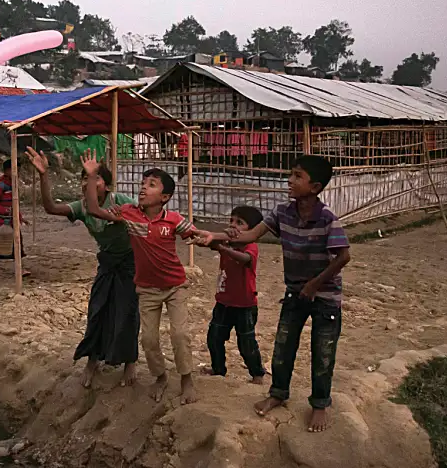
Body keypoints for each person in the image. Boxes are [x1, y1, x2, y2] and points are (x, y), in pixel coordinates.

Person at [201, 155, 351, 432]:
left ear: (315, 186)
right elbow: (248, 236)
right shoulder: (283, 212)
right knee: (283, 346)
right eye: (291, 174)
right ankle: (278, 393)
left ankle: (319, 405)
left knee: (323, 352)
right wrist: (213, 236)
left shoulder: (328, 219)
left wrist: (314, 285)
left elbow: (343, 257)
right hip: (296, 293)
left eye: (297, 176)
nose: (289, 181)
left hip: (325, 298)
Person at [81, 150, 212, 405]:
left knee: (180, 334)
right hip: (147, 289)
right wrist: (92, 175)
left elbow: (196, 234)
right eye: (142, 184)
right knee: (148, 339)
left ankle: (186, 380)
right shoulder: (129, 214)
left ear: (165, 197)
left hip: (175, 287)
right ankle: (161, 376)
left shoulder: (173, 219)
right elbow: (94, 209)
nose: (143, 189)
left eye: (151, 185)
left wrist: (212, 238)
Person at [25, 146, 139, 389]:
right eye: (84, 178)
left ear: (107, 186)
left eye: (94, 178)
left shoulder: (121, 202)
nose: (87, 182)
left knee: (127, 312)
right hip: (107, 261)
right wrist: (44, 176)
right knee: (97, 310)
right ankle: (92, 360)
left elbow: (143, 219)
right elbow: (50, 208)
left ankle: (130, 361)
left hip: (130, 262)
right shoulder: (81, 207)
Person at [203, 205, 266, 384]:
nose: (233, 225)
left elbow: (246, 259)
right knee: (214, 337)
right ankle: (218, 370)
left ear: (253, 231)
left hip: (244, 304)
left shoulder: (250, 246)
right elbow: (212, 243)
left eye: (240, 223)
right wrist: (211, 239)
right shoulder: (226, 242)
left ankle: (257, 374)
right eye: (231, 220)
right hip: (223, 301)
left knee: (246, 343)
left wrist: (224, 249)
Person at [0, 159, 28, 274]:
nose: (17, 173)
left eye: (18, 170)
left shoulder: (14, 186)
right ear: (7, 171)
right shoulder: (0, 186)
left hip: (12, 221)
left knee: (17, 242)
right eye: (15, 170)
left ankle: (19, 267)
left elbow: (14, 204)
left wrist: (20, 217)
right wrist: (5, 210)